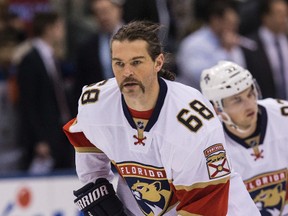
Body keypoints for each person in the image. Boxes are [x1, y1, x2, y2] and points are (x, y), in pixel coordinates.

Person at [63, 21, 259, 215]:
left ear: (158, 62)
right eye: (119, 63)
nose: (127, 72)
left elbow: (206, 203)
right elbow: (84, 136)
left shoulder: (192, 122)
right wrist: (97, 184)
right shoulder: (97, 103)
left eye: (136, 62)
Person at [200, 60, 288, 215]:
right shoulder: (210, 143)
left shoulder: (282, 115)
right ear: (217, 109)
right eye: (237, 100)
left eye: (250, 94)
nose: (250, 104)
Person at [17, 11, 74, 173]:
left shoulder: (53, 57)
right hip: (46, 137)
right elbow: (28, 104)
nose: (62, 32)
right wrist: (39, 139)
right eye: (59, 27)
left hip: (60, 132)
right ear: (49, 29)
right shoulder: (30, 60)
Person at [176, 0, 247, 90]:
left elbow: (241, 71)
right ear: (216, 20)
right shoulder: (193, 44)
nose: (234, 28)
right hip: (195, 97)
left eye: (235, 24)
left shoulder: (232, 42)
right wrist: (225, 51)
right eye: (230, 23)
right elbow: (200, 78)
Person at [72, 0, 124, 115]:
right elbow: (80, 85)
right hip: (101, 110)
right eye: (98, 13)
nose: (103, 17)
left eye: (106, 11)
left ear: (118, 10)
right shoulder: (86, 48)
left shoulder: (139, 40)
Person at [242, 0, 288, 100]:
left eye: (286, 14)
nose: (284, 19)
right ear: (265, 17)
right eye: (279, 14)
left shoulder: (285, 39)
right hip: (265, 103)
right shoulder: (249, 45)